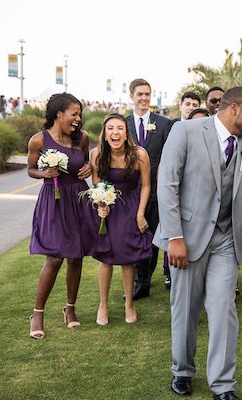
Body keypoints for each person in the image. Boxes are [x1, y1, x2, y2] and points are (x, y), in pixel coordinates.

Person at [154, 87, 242, 400]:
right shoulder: (185, 131)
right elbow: (167, 185)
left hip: (226, 239)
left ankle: (223, 385)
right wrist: (175, 237)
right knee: (185, 309)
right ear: (234, 109)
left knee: (224, 309)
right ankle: (182, 371)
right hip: (187, 237)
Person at [26, 93, 92, 339]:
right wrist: (44, 173)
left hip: (77, 200)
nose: (78, 119)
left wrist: (89, 168)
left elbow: (85, 164)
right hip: (53, 202)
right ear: (58, 114)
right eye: (74, 114)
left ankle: (70, 309)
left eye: (79, 114)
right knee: (54, 259)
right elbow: (30, 169)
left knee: (76, 258)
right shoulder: (38, 141)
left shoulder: (82, 139)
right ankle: (38, 313)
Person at [89, 113, 153, 325]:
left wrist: (140, 213)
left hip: (131, 207)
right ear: (104, 133)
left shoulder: (140, 154)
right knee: (106, 258)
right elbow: (97, 185)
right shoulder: (97, 154)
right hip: (108, 208)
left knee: (127, 258)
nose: (115, 132)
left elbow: (145, 185)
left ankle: (129, 305)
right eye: (110, 128)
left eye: (120, 128)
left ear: (127, 133)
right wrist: (101, 206)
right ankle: (103, 304)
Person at [125, 78, 173, 299]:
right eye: (140, 94)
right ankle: (139, 280)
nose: (144, 98)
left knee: (151, 238)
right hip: (128, 191)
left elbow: (170, 157)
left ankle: (144, 280)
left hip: (155, 191)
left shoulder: (164, 124)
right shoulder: (122, 124)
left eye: (147, 94)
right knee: (132, 238)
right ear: (131, 96)